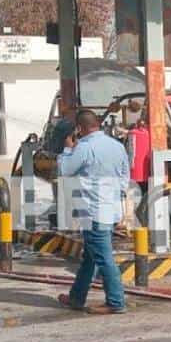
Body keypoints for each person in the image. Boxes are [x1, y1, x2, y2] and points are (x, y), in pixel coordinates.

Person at [57, 108, 129, 314]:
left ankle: (116, 302)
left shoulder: (84, 148)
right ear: (98, 125)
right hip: (111, 208)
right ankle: (76, 298)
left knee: (104, 258)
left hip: (94, 212)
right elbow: (125, 176)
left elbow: (64, 171)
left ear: (79, 129)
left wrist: (68, 149)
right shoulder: (117, 146)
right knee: (90, 256)